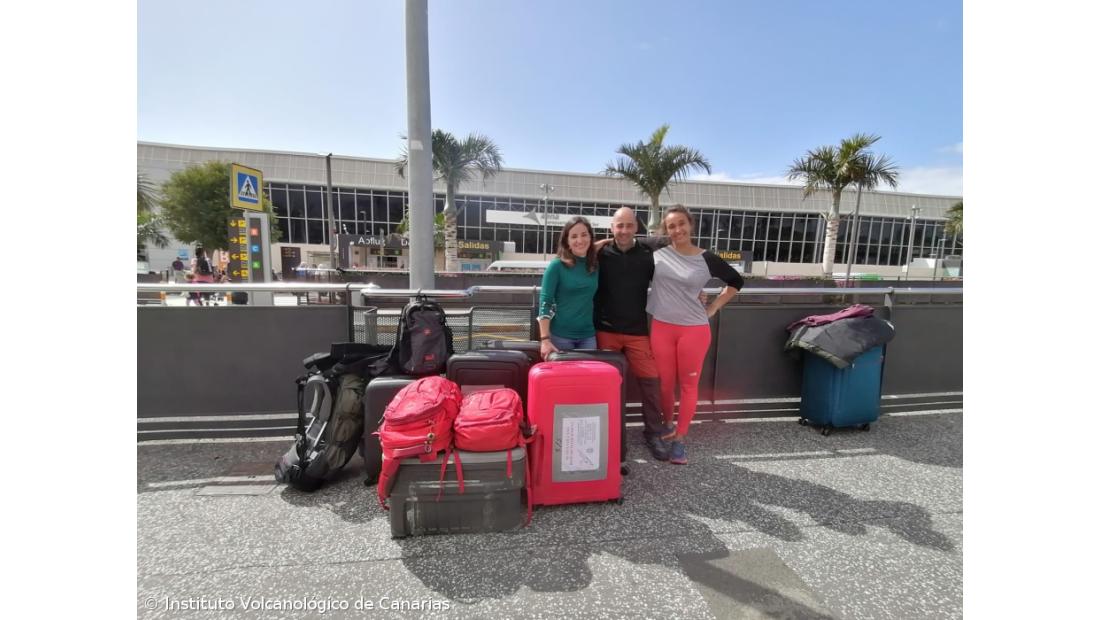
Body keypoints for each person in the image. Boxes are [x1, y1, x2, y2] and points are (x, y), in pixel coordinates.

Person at [647, 205, 743, 464]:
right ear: (666, 230)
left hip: (694, 330)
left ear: (690, 225)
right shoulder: (657, 253)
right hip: (662, 327)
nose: (677, 230)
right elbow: (624, 243)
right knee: (665, 385)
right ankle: (668, 426)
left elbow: (736, 281)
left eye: (681, 224)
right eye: (671, 226)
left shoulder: (707, 258)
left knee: (688, 386)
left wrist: (712, 307)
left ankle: (679, 440)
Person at [592, 207, 672, 461]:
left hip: (638, 331)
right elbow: (569, 255)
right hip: (605, 330)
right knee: (607, 387)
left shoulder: (648, 254)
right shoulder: (600, 253)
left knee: (651, 383)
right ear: (611, 228)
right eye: (619, 226)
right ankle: (610, 434)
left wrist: (698, 293)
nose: (624, 231)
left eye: (628, 225)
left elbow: (674, 269)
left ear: (636, 228)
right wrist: (597, 243)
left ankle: (654, 433)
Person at [537, 217, 599, 359]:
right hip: (561, 338)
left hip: (588, 337)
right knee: (564, 380)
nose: (580, 240)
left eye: (584, 235)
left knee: (588, 380)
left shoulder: (594, 265)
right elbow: (545, 302)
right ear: (567, 241)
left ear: (590, 237)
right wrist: (545, 340)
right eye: (574, 236)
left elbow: (595, 247)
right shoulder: (556, 266)